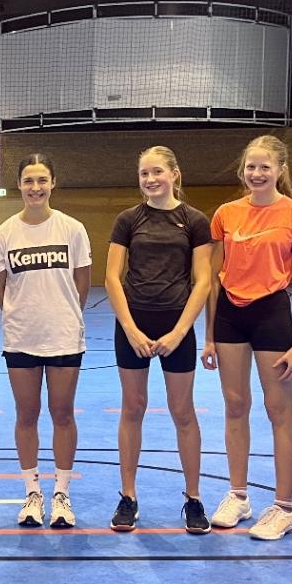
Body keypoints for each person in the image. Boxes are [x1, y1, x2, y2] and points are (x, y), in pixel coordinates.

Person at [201, 137, 292, 540]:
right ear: (243, 170)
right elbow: (213, 280)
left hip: (272, 315)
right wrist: (209, 335)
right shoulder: (225, 214)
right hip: (230, 316)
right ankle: (238, 495)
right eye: (251, 166)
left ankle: (284, 508)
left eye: (265, 167)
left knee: (278, 407)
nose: (257, 173)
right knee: (235, 405)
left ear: (280, 169)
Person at [105, 146, 212, 533]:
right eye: (144, 174)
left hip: (176, 326)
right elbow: (112, 277)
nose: (150, 180)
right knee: (132, 408)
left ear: (174, 174)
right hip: (133, 325)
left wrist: (180, 332)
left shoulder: (195, 221)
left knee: (183, 411)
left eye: (157, 172)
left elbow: (203, 280)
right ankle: (128, 496)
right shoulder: (127, 220)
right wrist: (130, 329)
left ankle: (194, 498)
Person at [0, 154, 91, 529]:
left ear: (53, 183)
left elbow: (82, 284)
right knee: (26, 415)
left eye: (42, 180)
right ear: (19, 185)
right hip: (21, 337)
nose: (35, 188)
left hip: (64, 336)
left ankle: (61, 494)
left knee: (63, 414)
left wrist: (62, 315)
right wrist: (24, 314)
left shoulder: (72, 229)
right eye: (29, 181)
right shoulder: (2, 235)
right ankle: (32, 493)